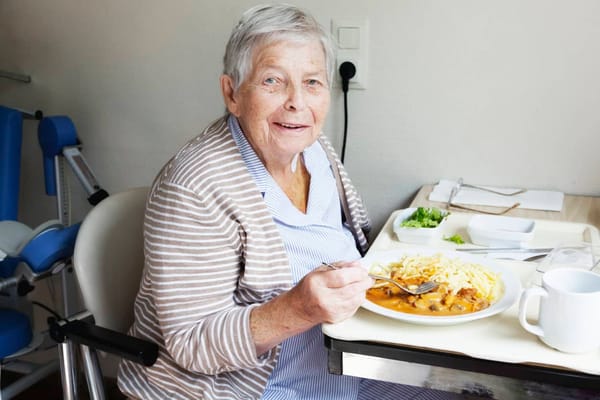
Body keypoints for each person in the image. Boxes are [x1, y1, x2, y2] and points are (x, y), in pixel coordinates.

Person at [117, 4, 465, 399]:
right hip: (249, 389)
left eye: (312, 82)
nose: (297, 102)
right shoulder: (195, 187)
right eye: (272, 81)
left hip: (347, 367)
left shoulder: (314, 150)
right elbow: (192, 343)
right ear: (232, 93)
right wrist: (299, 309)